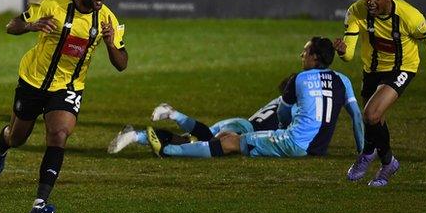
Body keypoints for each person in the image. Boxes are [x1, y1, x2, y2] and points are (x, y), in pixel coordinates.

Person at [0, 0, 128, 213]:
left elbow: (122, 63)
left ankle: (39, 203)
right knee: (17, 137)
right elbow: (12, 25)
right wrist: (31, 26)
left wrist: (109, 44)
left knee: (59, 134)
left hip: (68, 87)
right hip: (33, 80)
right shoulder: (53, 4)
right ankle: (1, 144)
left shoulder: (107, 20)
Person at [146, 37, 363, 159]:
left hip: (295, 142)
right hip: (319, 148)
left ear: (315, 57)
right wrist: (362, 151)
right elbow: (356, 117)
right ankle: (172, 126)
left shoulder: (300, 79)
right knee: (223, 136)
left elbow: (283, 112)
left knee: (228, 140)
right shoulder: (343, 80)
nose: (301, 55)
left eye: (305, 52)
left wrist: (284, 129)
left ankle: (168, 150)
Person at [334, 0, 426, 187]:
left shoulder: (410, 17)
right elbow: (348, 56)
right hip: (372, 69)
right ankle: (388, 163)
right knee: (375, 118)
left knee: (371, 113)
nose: (370, 1)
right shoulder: (357, 11)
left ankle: (367, 153)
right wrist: (342, 52)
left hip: (402, 68)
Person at [107, 75, 295, 154]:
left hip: (240, 123)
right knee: (212, 145)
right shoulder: (297, 106)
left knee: (191, 139)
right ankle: (173, 120)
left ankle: (134, 135)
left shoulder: (281, 99)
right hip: (246, 130)